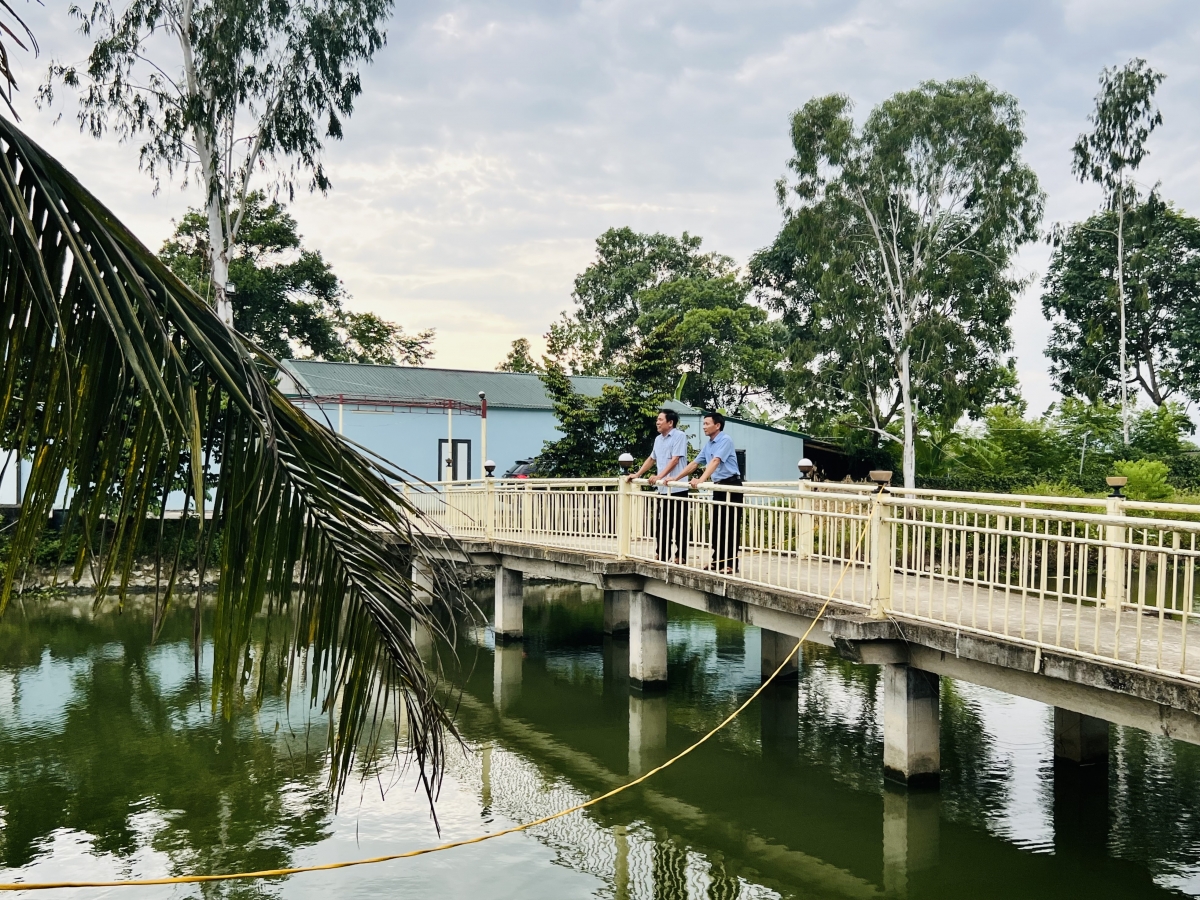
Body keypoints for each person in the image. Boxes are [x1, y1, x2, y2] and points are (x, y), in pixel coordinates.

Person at [678, 412, 742, 573]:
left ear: (717, 425)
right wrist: (675, 477)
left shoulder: (725, 440)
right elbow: (695, 463)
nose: (704, 427)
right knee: (717, 526)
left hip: (731, 485)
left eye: (707, 423)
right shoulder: (709, 444)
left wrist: (700, 480)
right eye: (703, 424)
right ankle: (717, 560)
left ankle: (730, 564)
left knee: (730, 526)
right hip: (718, 486)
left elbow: (715, 461)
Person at [627, 408, 690, 564]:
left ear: (670, 422)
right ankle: (661, 553)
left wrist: (659, 476)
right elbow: (651, 459)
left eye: (660, 419)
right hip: (663, 489)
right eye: (657, 419)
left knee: (679, 524)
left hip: (678, 487)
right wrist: (637, 474)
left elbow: (675, 459)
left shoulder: (679, 436)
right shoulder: (658, 439)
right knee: (662, 524)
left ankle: (680, 555)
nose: (657, 422)